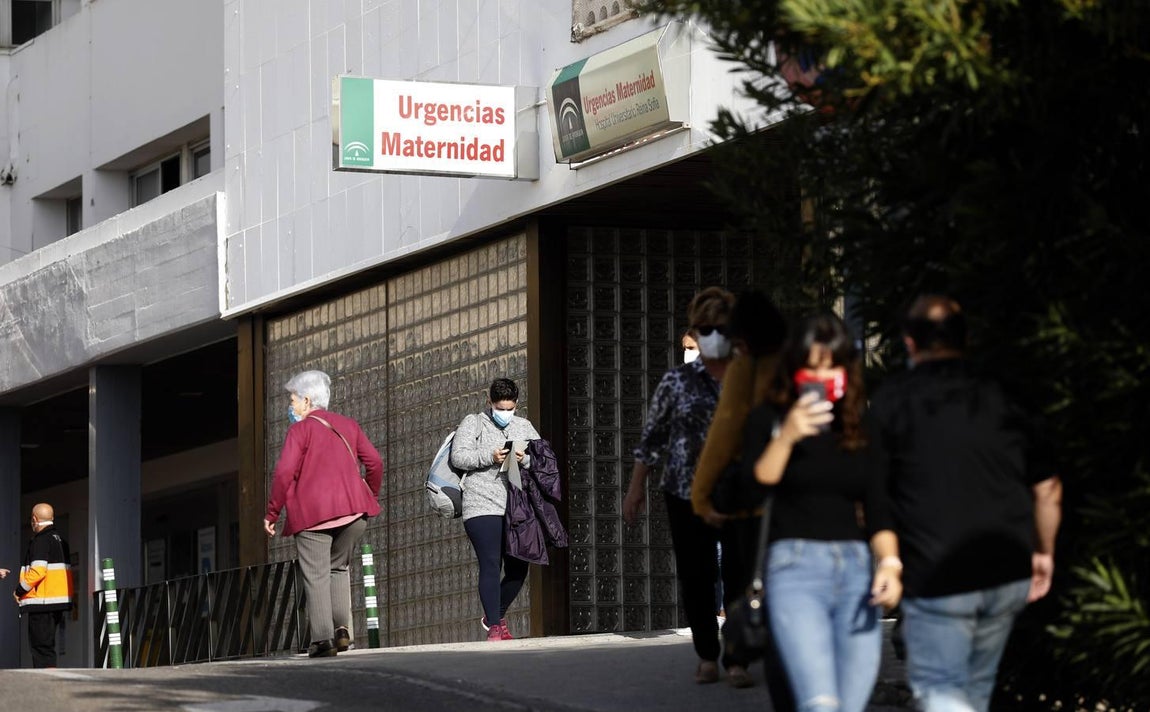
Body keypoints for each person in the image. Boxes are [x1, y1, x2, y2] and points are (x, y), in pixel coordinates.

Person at [870, 296, 1063, 712]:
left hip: (935, 570)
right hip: (1006, 568)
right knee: (976, 689)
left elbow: (875, 492)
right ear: (967, 338)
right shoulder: (1004, 393)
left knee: (942, 691)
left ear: (908, 343)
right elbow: (1047, 487)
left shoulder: (892, 400)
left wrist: (887, 560)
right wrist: (1043, 551)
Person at [746, 313, 902, 712]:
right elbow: (755, 484)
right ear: (794, 367)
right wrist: (788, 436)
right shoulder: (769, 418)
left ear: (846, 369)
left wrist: (890, 564)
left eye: (831, 365)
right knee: (820, 704)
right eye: (811, 366)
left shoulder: (861, 425)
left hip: (855, 571)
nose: (821, 374)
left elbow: (878, 506)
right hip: (794, 569)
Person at [623, 286, 736, 684]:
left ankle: (737, 657)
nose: (711, 335)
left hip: (737, 490)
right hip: (684, 490)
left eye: (719, 327)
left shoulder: (749, 375)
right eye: (704, 329)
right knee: (697, 573)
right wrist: (636, 487)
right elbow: (652, 437)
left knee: (738, 572)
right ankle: (708, 654)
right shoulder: (677, 381)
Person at [690, 290, 793, 700]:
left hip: (760, 506)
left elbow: (724, 436)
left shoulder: (745, 370)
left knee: (758, 588)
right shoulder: (803, 364)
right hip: (814, 504)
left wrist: (701, 496)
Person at [265, 370, 383, 658]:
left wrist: (272, 512)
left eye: (292, 400)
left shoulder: (300, 430)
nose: (290, 407)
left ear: (306, 400)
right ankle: (342, 630)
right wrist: (369, 493)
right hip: (354, 513)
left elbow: (283, 473)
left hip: (312, 515)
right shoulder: (348, 425)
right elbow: (375, 462)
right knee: (338, 568)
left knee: (316, 574)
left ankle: (322, 640)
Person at [450, 377, 541, 641]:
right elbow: (459, 456)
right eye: (499, 408)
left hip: (516, 507)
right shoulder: (473, 422)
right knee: (490, 563)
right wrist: (490, 456)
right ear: (488, 402)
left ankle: (495, 613)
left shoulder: (524, 426)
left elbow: (543, 461)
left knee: (519, 567)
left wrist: (524, 460)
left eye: (509, 408)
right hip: (480, 504)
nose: (504, 413)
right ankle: (495, 628)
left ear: (517, 405)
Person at [14, 503, 75, 668]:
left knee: (40, 648)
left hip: (42, 602)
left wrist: (20, 590)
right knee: (47, 645)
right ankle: (50, 676)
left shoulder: (40, 541)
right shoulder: (61, 541)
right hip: (56, 602)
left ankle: (47, 682)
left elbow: (38, 572)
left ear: (34, 519)